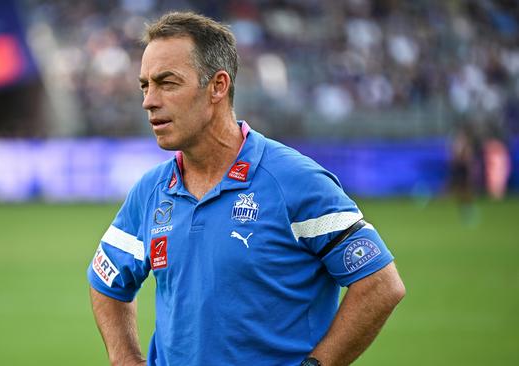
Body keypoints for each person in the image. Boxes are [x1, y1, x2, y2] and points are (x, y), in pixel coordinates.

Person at [88, 12, 405, 366]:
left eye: (168, 83)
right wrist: (124, 358)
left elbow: (381, 284)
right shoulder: (151, 191)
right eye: (145, 85)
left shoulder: (295, 181)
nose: (149, 100)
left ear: (218, 86)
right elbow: (105, 280)